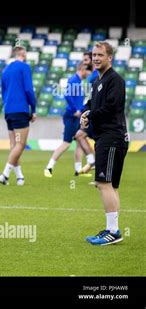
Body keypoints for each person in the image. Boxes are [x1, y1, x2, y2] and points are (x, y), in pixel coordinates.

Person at [81, 41, 128, 246]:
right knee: (111, 185)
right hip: (106, 137)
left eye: (100, 54)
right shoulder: (97, 80)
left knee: (103, 184)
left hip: (111, 138)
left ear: (110, 57)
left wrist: (91, 115)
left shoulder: (115, 79)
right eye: (94, 55)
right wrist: (85, 112)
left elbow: (111, 106)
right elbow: (93, 104)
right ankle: (112, 229)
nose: (96, 58)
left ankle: (114, 231)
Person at [0, 45, 36, 186]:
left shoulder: (5, 70)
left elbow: (3, 92)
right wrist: (34, 108)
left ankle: (20, 177)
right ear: (23, 54)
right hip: (20, 110)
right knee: (20, 144)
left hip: (9, 111)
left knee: (14, 144)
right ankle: (5, 174)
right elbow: (28, 89)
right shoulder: (24, 67)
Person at [44, 63, 91, 177]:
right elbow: (67, 95)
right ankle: (48, 168)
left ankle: (78, 170)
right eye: (89, 71)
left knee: (80, 140)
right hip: (72, 116)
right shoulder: (74, 80)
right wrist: (75, 110)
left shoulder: (78, 81)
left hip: (76, 116)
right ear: (83, 69)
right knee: (66, 143)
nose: (89, 74)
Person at [74, 52, 99, 173]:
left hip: (93, 112)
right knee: (80, 136)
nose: (84, 62)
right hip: (89, 111)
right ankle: (92, 163)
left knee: (81, 136)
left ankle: (95, 165)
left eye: (86, 60)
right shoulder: (91, 75)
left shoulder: (96, 76)